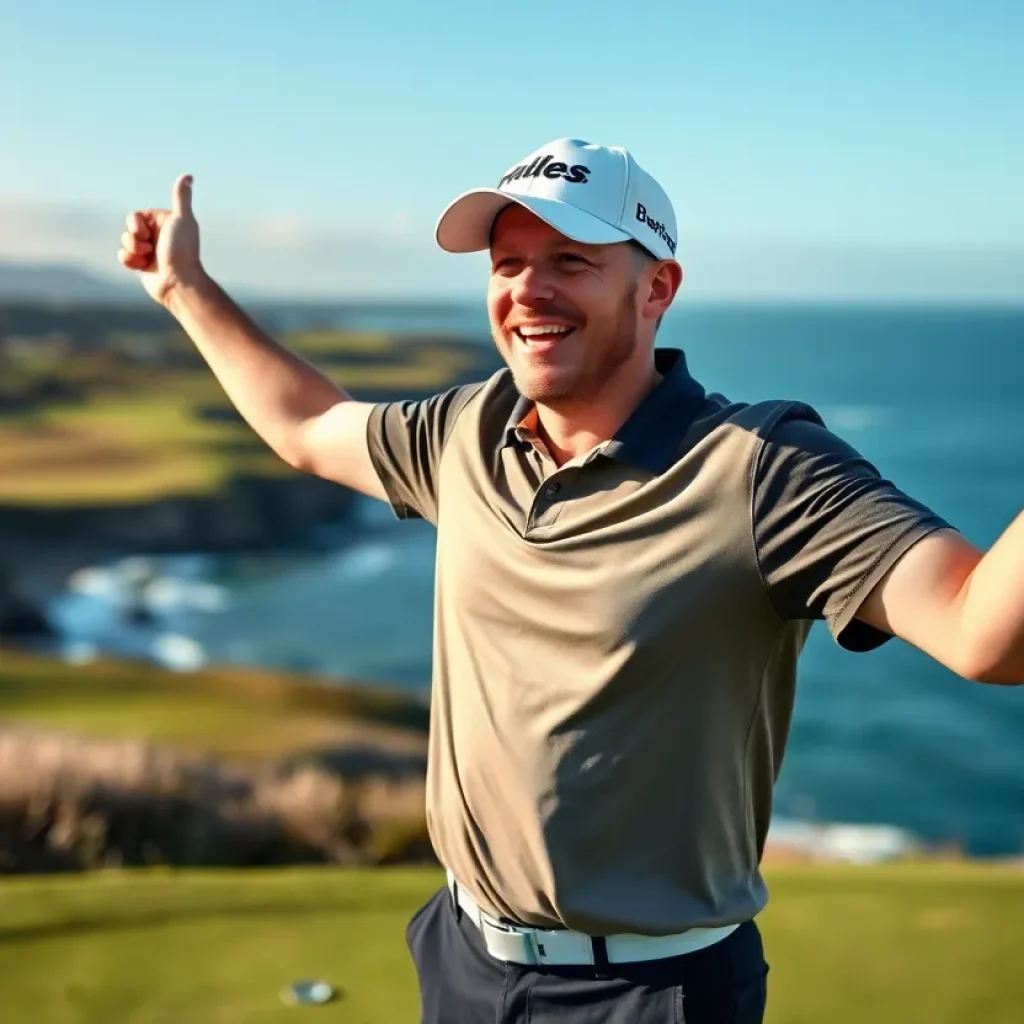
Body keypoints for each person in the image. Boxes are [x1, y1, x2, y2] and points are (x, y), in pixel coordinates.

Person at [118, 137, 1023, 1023]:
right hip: (465, 961)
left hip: (651, 995)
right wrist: (184, 288)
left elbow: (982, 633)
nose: (528, 290)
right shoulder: (468, 431)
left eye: (570, 261)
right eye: (507, 264)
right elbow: (309, 427)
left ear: (657, 289)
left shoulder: (763, 467)